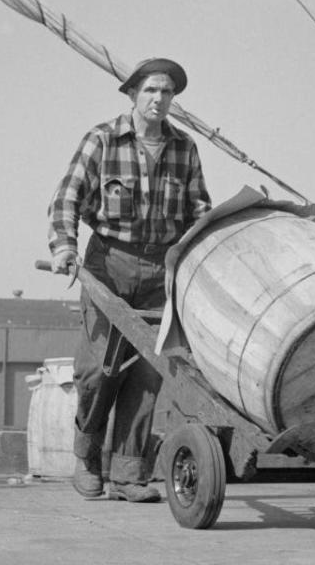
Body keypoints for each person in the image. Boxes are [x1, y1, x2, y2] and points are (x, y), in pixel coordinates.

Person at [48, 57, 211, 503]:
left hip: (163, 271)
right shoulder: (101, 140)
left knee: (146, 376)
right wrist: (64, 246)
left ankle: (129, 475)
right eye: (151, 91)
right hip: (108, 265)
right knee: (97, 371)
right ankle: (87, 459)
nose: (159, 100)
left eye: (167, 93)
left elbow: (199, 211)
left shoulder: (185, 149)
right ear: (132, 95)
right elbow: (66, 197)